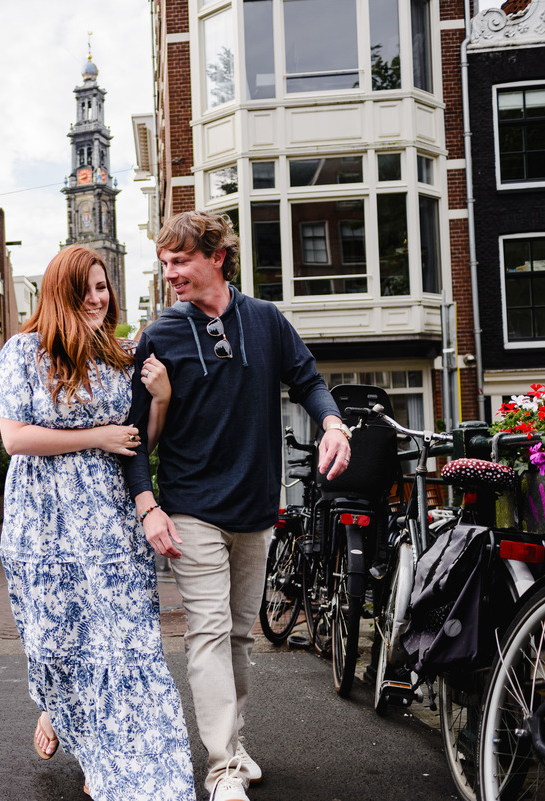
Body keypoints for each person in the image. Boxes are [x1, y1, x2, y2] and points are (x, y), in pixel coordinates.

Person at [124, 210, 352, 801]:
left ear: (216, 257)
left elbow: (307, 379)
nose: (171, 274)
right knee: (207, 631)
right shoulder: (161, 335)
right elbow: (132, 437)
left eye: (181, 261)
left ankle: (236, 741)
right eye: (165, 264)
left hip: (255, 509)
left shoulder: (267, 321)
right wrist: (148, 505)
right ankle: (222, 766)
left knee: (240, 637)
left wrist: (333, 424)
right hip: (190, 508)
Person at [0, 244, 194, 801]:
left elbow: (138, 443)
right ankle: (60, 711)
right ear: (60, 293)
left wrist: (161, 401)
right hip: (42, 523)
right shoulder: (24, 351)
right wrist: (94, 437)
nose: (97, 298)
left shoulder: (120, 356)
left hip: (108, 523)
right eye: (86, 290)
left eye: (103, 287)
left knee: (123, 643)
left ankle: (110, 756)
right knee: (56, 642)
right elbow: (14, 438)